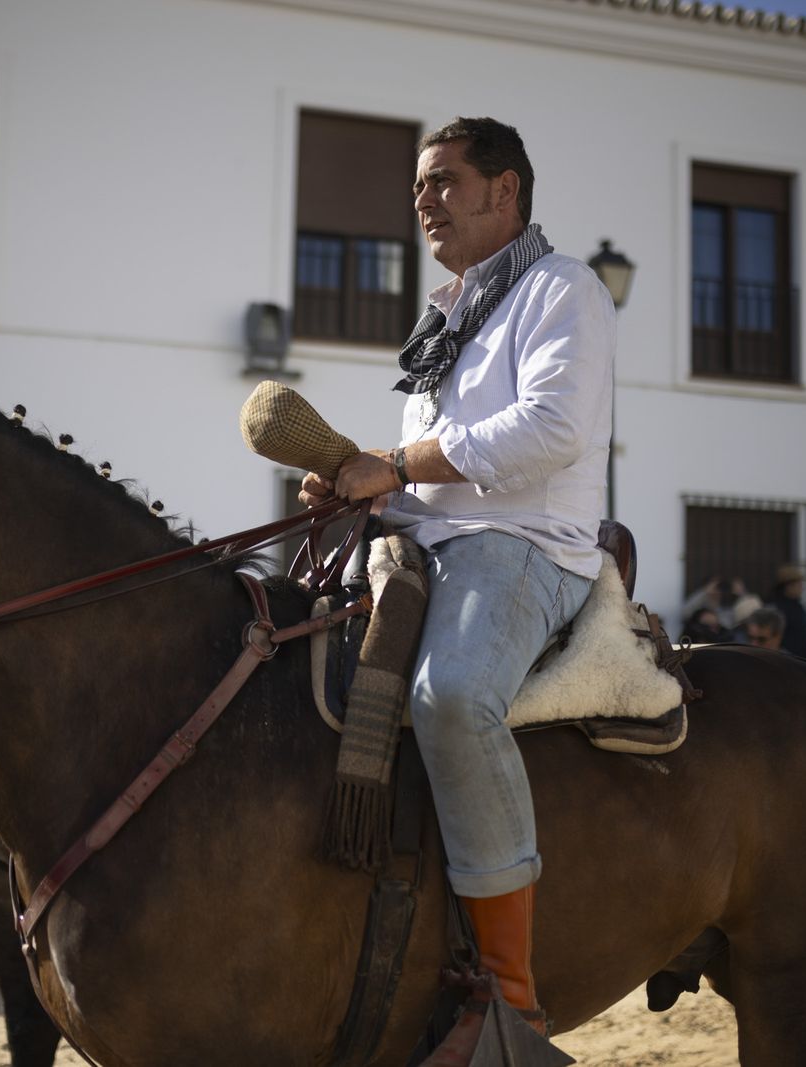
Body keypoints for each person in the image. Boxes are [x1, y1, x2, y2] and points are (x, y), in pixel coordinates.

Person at [300, 117, 612, 1056]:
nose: (421, 198)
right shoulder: (447, 314)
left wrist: (393, 463)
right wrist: (351, 476)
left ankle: (511, 991)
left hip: (527, 545)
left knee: (450, 695)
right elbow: (425, 469)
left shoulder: (565, 288)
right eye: (418, 186)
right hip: (430, 542)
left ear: (505, 191)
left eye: (442, 181)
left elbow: (549, 430)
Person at [770, 563, 806, 658]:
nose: (802, 588)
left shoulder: (798, 606)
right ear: (788, 586)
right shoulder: (778, 609)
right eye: (799, 584)